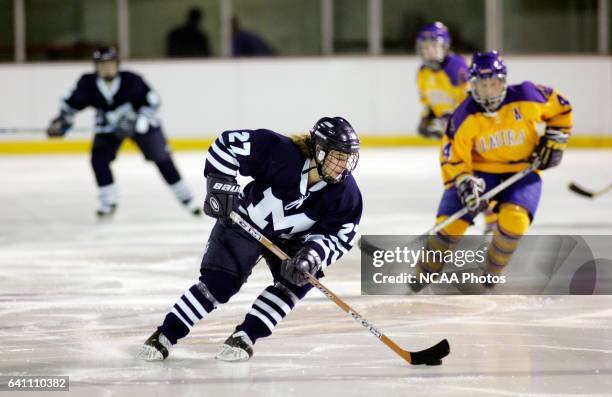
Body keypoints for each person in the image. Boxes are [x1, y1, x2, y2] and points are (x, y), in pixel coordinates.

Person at [139, 117, 362, 362]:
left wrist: (314, 254)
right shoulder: (279, 150)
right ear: (319, 151)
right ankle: (165, 335)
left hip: (292, 239)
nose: (344, 165)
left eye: (348, 158)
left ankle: (245, 336)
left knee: (299, 279)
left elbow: (339, 235)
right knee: (219, 283)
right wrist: (219, 181)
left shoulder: (346, 194)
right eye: (338, 156)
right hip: (244, 221)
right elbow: (227, 144)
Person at [413, 51, 572, 290]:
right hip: (478, 173)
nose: (489, 90)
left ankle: (491, 271)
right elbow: (452, 157)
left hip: (522, 172)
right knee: (448, 226)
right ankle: (420, 276)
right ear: (473, 84)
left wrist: (554, 141)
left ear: (503, 82)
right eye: (483, 85)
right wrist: (464, 181)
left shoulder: (528, 95)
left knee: (515, 222)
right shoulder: (463, 115)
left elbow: (561, 108)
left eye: (494, 84)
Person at [47, 46, 201, 219]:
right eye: (103, 64)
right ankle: (109, 202)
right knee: (98, 159)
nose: (107, 67)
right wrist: (61, 122)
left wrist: (139, 121)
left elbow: (154, 102)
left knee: (162, 159)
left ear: (117, 64)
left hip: (143, 126)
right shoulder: (87, 84)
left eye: (111, 63)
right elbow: (70, 106)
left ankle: (187, 199)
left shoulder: (132, 80)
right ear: (96, 66)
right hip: (110, 128)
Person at [416, 22, 497, 233]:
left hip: (470, 133)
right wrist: (427, 119)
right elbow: (430, 105)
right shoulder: (422, 74)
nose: (430, 51)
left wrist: (456, 122)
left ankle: (492, 221)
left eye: (434, 45)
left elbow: (473, 101)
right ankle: (464, 221)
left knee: (478, 174)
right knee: (456, 176)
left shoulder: (456, 67)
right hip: (451, 135)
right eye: (426, 47)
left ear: (445, 46)